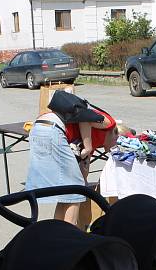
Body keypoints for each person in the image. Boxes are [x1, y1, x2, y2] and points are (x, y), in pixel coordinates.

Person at [24, 91, 118, 226]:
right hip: (53, 128)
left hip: (39, 128)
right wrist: (88, 146)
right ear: (115, 134)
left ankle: (57, 230)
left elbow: (84, 164)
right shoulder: (109, 123)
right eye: (118, 142)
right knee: (74, 190)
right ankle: (70, 231)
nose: (116, 147)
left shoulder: (97, 138)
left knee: (66, 190)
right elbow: (84, 118)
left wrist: (83, 182)